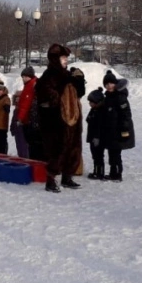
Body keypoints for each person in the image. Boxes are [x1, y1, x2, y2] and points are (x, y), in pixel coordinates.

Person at [36, 43, 86, 193]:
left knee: (72, 148)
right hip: (56, 121)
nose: (66, 60)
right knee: (57, 150)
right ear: (55, 59)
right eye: (63, 57)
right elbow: (45, 95)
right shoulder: (49, 75)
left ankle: (67, 176)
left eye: (66, 58)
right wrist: (58, 96)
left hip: (72, 118)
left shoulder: (67, 74)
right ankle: (50, 180)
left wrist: (79, 80)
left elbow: (79, 94)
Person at [100, 70, 134, 181]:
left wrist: (124, 129)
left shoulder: (119, 97)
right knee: (112, 152)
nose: (109, 86)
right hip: (111, 130)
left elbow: (126, 114)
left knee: (115, 153)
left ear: (115, 84)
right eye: (106, 84)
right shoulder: (108, 97)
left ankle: (117, 174)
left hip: (118, 130)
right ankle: (113, 172)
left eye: (111, 83)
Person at [15, 66, 42, 161]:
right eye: (23, 76)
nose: (23, 78)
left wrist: (20, 118)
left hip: (30, 120)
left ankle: (35, 165)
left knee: (33, 144)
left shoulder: (31, 86)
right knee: (34, 144)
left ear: (31, 77)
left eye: (26, 77)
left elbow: (25, 104)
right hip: (32, 119)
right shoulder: (30, 85)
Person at [9, 89, 29, 158]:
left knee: (24, 148)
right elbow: (13, 119)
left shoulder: (24, 108)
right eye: (16, 97)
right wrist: (12, 128)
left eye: (19, 97)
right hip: (17, 130)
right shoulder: (16, 109)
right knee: (19, 146)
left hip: (22, 130)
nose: (17, 99)